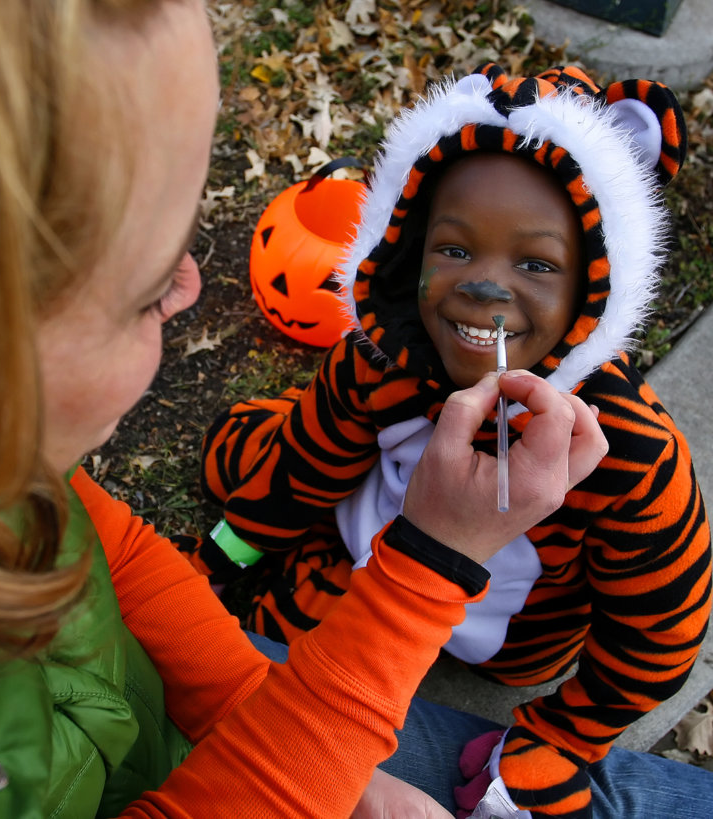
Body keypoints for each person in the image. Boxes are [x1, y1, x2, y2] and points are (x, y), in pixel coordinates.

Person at [0, 3, 708, 816]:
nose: (190, 287)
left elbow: (104, 545)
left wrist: (296, 735)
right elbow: (302, 467)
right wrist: (429, 566)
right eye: (142, 294)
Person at [184, 63, 713, 817]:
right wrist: (220, 556)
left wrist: (561, 735)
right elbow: (298, 474)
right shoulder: (378, 361)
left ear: (595, 285)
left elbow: (659, 633)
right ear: (409, 248)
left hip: (504, 641)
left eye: (535, 264)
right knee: (268, 470)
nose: (484, 286)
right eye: (455, 249)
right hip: (361, 555)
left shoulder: (625, 452)